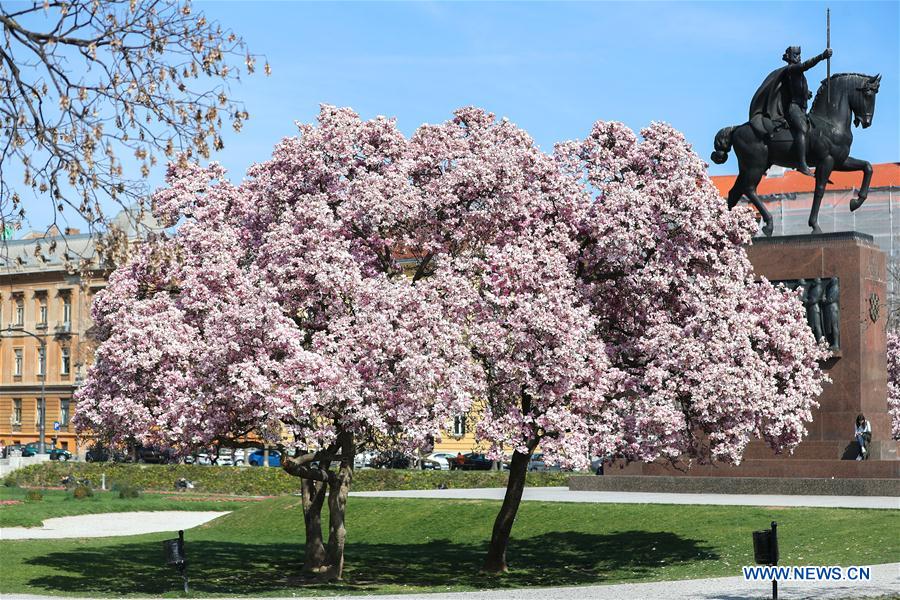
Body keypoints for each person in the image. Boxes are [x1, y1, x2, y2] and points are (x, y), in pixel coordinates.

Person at [749, 46, 833, 175]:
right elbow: (806, 65)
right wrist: (822, 56)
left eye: (799, 55)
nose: (799, 57)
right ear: (790, 57)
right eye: (796, 55)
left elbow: (793, 89)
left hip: (802, 108)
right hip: (794, 108)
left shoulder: (798, 74)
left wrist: (806, 93)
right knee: (802, 129)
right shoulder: (792, 69)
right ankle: (801, 163)